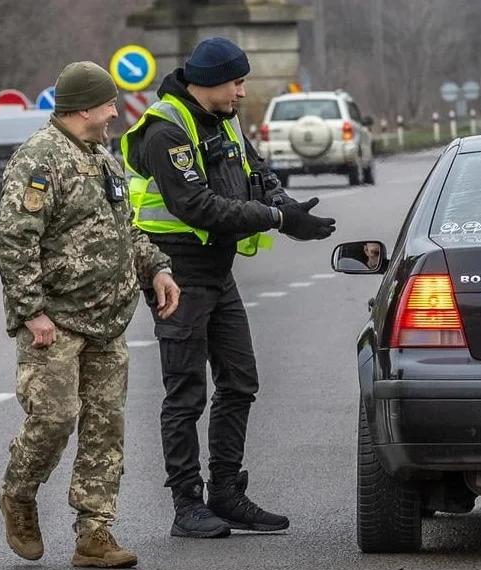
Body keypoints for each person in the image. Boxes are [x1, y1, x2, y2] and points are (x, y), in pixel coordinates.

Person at [122, 36, 336, 538]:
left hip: (218, 270)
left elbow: (256, 173)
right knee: (185, 392)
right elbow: (196, 207)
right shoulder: (165, 130)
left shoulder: (225, 119)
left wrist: (286, 204)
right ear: (212, 83)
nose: (242, 92)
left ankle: (226, 491)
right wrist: (277, 218)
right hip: (176, 271)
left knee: (240, 381)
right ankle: (186, 505)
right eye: (237, 82)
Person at [0, 61, 180, 567]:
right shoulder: (40, 160)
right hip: (54, 320)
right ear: (83, 108)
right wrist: (32, 312)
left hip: (107, 320)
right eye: (108, 104)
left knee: (104, 426)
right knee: (53, 418)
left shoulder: (105, 158)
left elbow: (126, 231)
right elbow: (13, 242)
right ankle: (19, 492)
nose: (116, 112)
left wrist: (157, 269)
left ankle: (95, 534)